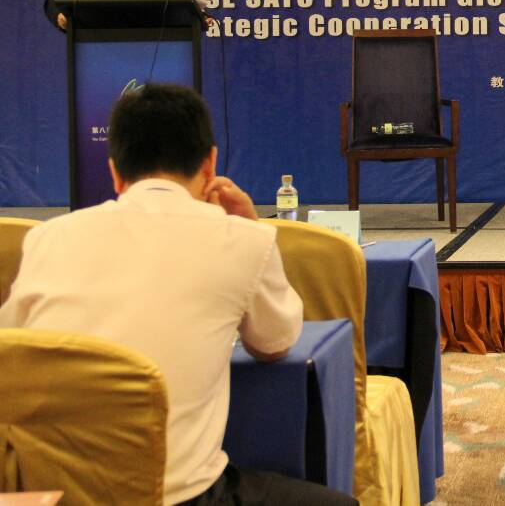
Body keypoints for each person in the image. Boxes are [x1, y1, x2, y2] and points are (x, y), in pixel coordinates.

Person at [0, 84, 355, 506]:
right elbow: (275, 343)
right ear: (210, 163)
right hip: (179, 495)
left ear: (115, 172)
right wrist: (252, 226)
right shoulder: (243, 239)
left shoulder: (49, 238)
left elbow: (14, 347)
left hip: (54, 493)